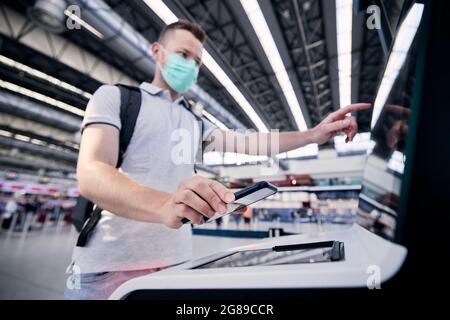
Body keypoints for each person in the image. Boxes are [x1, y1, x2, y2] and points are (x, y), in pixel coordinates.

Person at [65, 20, 370, 300]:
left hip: (175, 266)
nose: (191, 66)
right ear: (157, 52)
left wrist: (312, 135)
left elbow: (251, 142)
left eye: (197, 62)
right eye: (183, 54)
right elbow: (92, 173)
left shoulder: (195, 122)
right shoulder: (116, 98)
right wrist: (165, 205)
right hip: (106, 269)